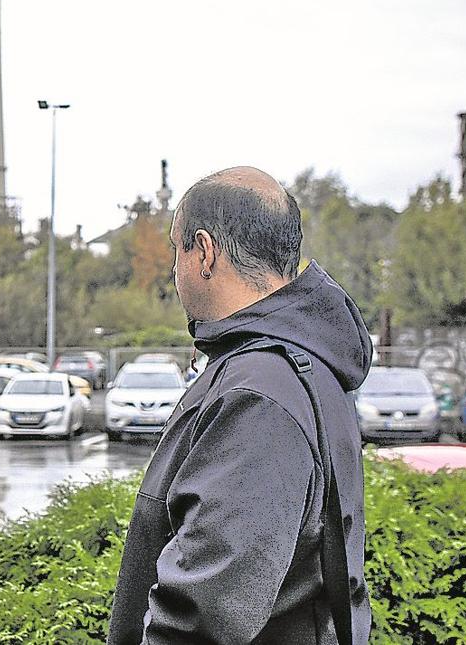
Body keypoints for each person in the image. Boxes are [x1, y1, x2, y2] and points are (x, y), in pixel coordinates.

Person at [108, 167, 372, 645]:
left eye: (176, 249)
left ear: (205, 252)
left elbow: (202, 618)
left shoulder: (259, 395)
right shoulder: (292, 362)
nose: (174, 269)